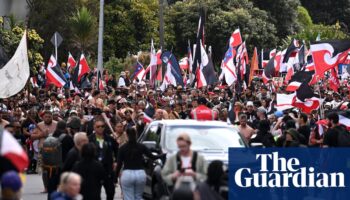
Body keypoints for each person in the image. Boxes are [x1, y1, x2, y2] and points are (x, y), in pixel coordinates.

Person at [115, 128, 164, 200]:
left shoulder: (122, 148)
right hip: (140, 174)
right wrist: (162, 155)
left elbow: (119, 164)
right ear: (136, 135)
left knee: (128, 197)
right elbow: (152, 156)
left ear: (127, 135)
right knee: (138, 196)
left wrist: (115, 177)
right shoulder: (141, 146)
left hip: (127, 174)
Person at [88, 118, 118, 200]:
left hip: (107, 170)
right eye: (98, 126)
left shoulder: (110, 139)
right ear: (94, 127)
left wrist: (116, 162)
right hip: (94, 170)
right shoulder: (89, 139)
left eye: (102, 126)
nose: (100, 128)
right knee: (94, 194)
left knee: (110, 192)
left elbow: (117, 150)